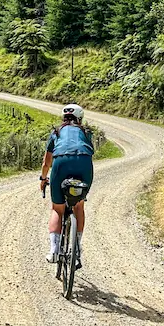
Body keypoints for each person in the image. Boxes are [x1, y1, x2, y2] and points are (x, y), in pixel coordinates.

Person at [39, 103, 94, 263]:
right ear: (80, 118)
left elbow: (47, 162)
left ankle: (54, 250)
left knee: (57, 209)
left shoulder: (56, 132)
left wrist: (43, 179)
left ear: (64, 118)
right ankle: (76, 249)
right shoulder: (86, 132)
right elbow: (88, 151)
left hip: (61, 162)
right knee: (79, 205)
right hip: (83, 162)